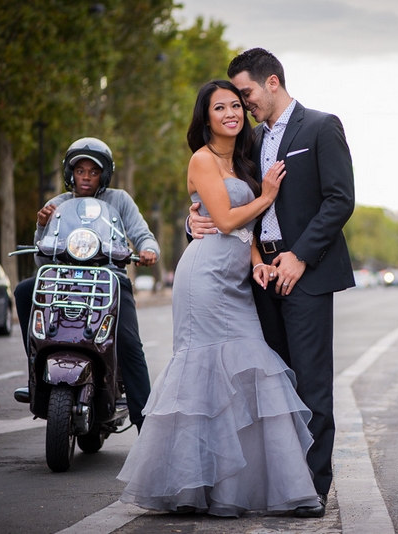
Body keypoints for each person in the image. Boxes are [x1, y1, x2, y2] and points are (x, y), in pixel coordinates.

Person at [118, 80, 318, 517]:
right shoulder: (202, 159)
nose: (230, 113)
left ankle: (239, 489)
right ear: (205, 117)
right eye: (219, 107)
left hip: (237, 281)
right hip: (204, 278)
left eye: (235, 106)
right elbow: (226, 220)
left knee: (249, 370)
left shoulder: (244, 160)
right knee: (203, 375)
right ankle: (191, 487)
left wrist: (256, 263)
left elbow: (242, 230)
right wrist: (265, 196)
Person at [189, 47, 356, 517]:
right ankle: (280, 482)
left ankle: (312, 489)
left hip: (305, 274)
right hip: (256, 276)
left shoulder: (322, 127)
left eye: (245, 94)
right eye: (234, 100)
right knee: (272, 386)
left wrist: (300, 258)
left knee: (311, 385)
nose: (242, 106)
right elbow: (230, 201)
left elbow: (340, 200)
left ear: (273, 83)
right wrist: (195, 220)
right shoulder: (249, 141)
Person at [13, 137, 159, 432]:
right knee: (25, 290)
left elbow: (142, 233)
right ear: (71, 173)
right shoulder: (58, 204)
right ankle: (35, 370)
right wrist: (42, 224)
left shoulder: (119, 200)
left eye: (93, 172)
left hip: (109, 280)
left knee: (129, 341)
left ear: (104, 175)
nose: (86, 177)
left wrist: (148, 249)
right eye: (80, 171)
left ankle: (144, 418)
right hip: (63, 280)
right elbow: (43, 258)